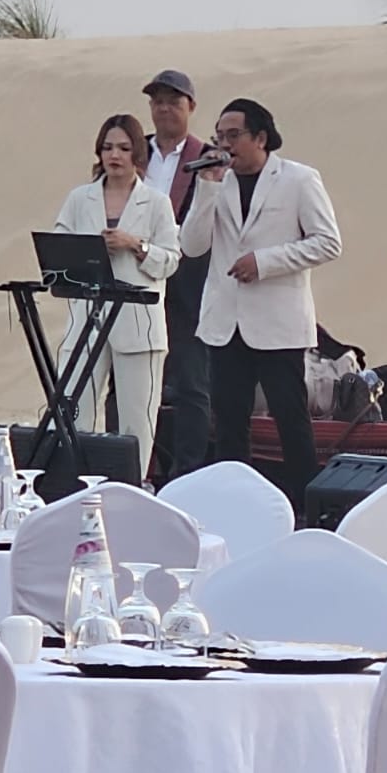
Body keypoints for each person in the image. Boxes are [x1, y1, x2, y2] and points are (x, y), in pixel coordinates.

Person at [181, 98, 341, 510]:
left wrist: (265, 262)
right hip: (225, 322)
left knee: (291, 420)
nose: (224, 144)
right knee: (229, 424)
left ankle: (305, 508)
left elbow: (328, 242)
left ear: (261, 138)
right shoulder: (216, 182)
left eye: (233, 135)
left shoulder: (299, 180)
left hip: (277, 323)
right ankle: (234, 507)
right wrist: (207, 188)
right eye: (219, 136)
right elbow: (192, 245)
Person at [52, 113, 180, 477]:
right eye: (108, 148)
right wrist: (87, 251)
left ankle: (132, 484)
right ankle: (73, 480)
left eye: (123, 148)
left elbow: (171, 260)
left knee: (138, 418)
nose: (115, 155)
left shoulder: (155, 202)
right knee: (75, 408)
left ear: (136, 153)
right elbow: (58, 247)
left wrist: (135, 245)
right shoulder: (80, 198)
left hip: (138, 324)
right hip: (87, 319)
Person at [142, 69, 213, 479]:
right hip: (137, 274)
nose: (164, 108)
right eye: (158, 101)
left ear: (191, 107)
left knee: (190, 381)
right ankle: (132, 465)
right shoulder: (134, 151)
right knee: (131, 377)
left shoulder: (206, 156)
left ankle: (187, 473)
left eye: (173, 101)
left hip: (189, 280)